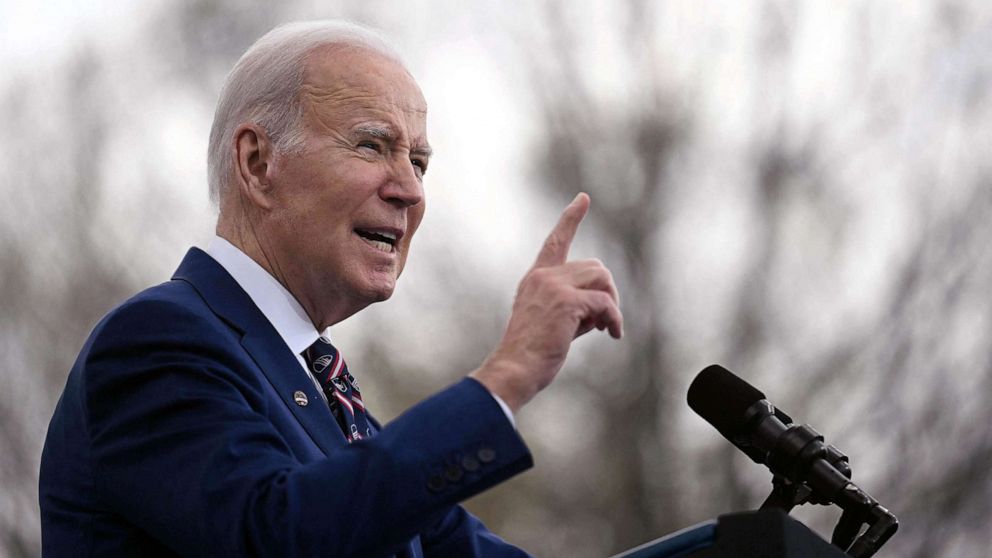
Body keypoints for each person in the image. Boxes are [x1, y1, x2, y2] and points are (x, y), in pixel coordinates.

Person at [39, 20, 622, 557]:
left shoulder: (332, 400)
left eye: (419, 162)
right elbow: (282, 535)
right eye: (373, 146)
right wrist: (509, 374)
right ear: (258, 162)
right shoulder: (156, 343)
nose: (411, 190)